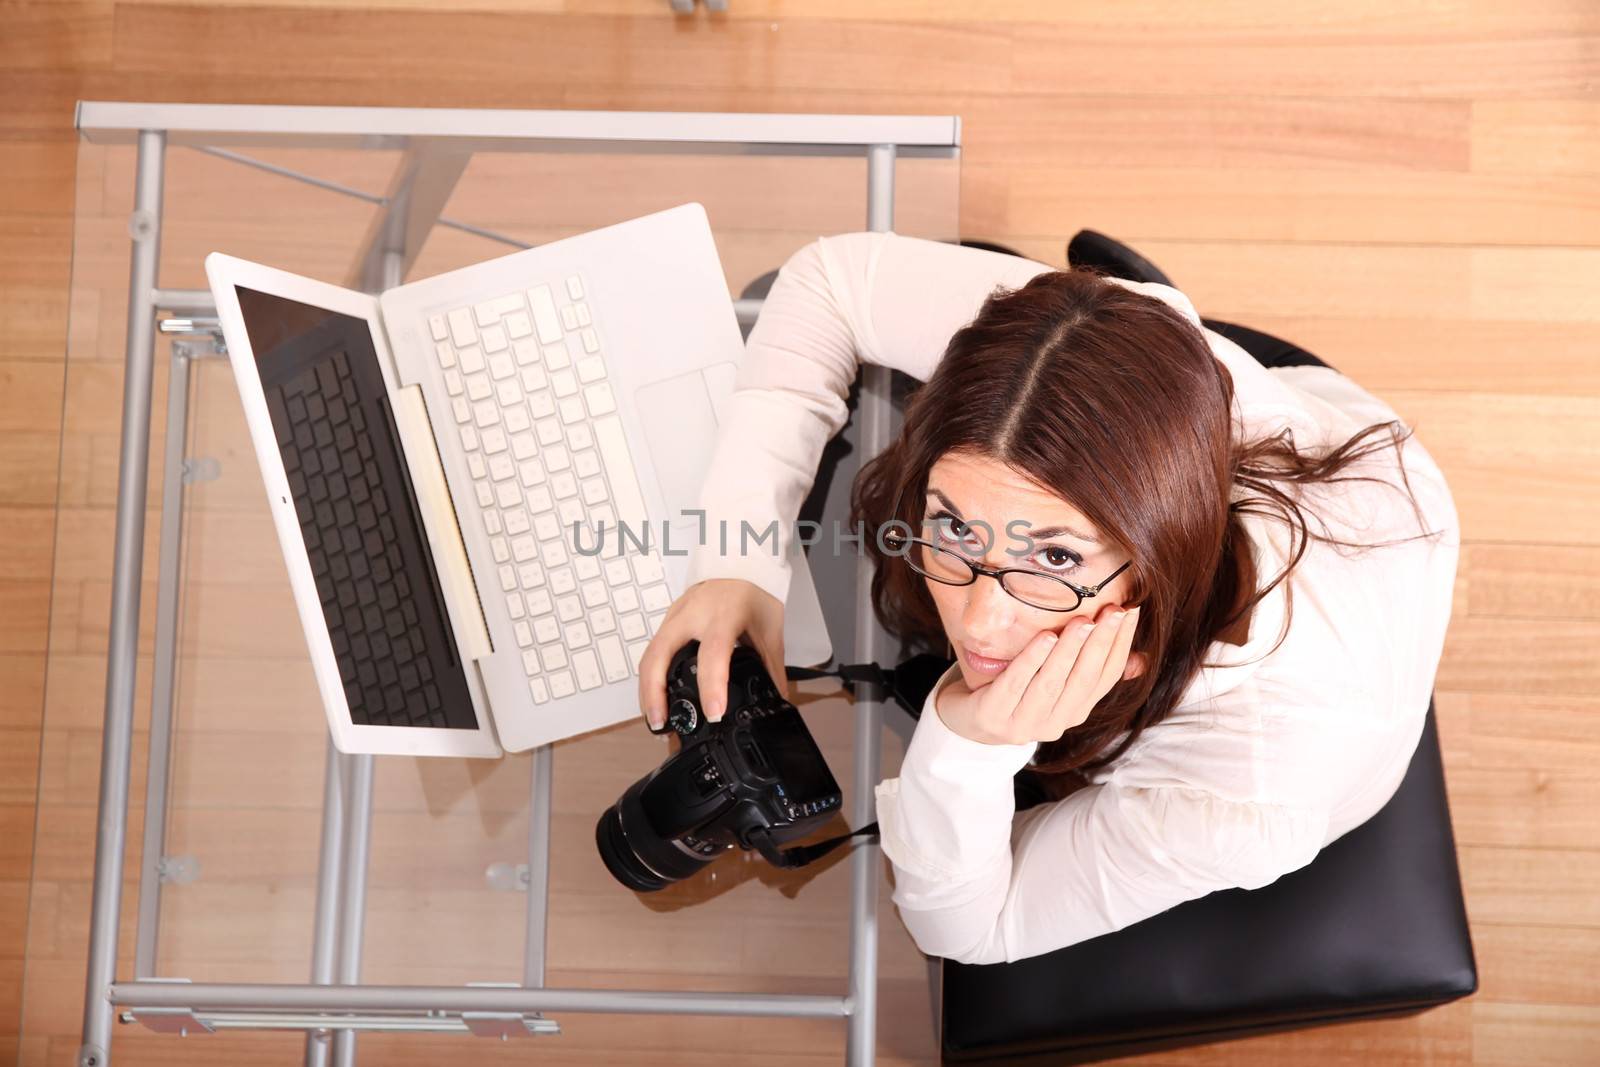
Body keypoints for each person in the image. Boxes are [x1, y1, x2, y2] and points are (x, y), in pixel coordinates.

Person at [635, 230, 1460, 966]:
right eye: (952, 526)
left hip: (1331, 673)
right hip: (1317, 441)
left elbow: (966, 929)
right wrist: (735, 558)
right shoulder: (1123, 334)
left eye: (1057, 555)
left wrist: (967, 740)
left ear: (1153, 551)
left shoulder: (1239, 801)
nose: (982, 625)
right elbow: (827, 281)